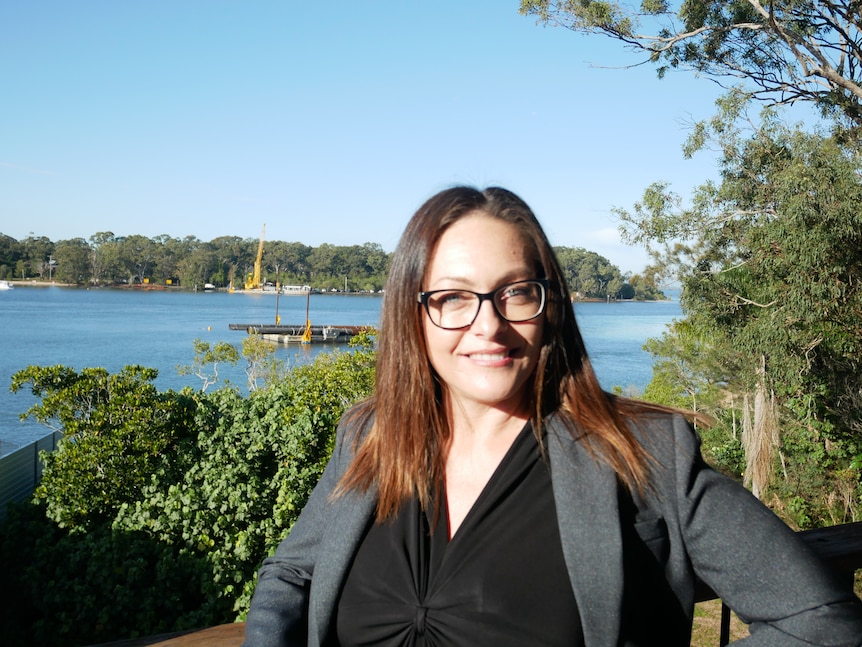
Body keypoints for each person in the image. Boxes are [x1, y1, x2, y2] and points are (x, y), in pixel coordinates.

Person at [243, 186, 862, 646]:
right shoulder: (372, 437)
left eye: (515, 291)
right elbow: (291, 574)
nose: (488, 324)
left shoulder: (643, 454)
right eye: (453, 297)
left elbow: (819, 620)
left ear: (550, 306)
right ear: (413, 314)